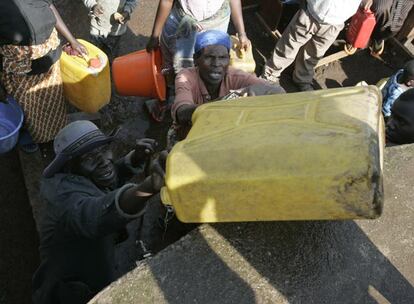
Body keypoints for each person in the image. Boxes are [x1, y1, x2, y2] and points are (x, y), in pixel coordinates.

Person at [32, 120, 165, 304]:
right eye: (89, 158)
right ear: (70, 168)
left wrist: (134, 159)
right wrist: (150, 186)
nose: (104, 160)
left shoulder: (85, 176)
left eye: (104, 150)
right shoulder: (66, 203)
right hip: (72, 287)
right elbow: (99, 215)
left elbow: (109, 178)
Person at [0, 0, 87, 149]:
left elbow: (49, 6)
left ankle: (53, 131)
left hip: (49, 58)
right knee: (27, 109)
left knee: (53, 100)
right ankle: (30, 137)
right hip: (19, 71)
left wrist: (72, 40)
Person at [171, 30, 285, 143]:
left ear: (229, 59)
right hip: (188, 138)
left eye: (222, 58)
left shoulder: (237, 76)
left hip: (223, 135)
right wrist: (229, 100)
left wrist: (254, 93)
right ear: (196, 59)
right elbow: (182, 113)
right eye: (209, 57)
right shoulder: (186, 77)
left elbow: (278, 92)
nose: (216, 64)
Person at [262, 0, 368, 91]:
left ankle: (302, 79)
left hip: (336, 20)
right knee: (289, 46)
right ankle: (270, 74)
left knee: (313, 54)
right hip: (312, 11)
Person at [146, 0, 250, 75]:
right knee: (170, 64)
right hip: (180, 22)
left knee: (207, 67)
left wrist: (242, 33)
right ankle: (170, 90)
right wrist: (155, 36)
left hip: (215, 26)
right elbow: (167, 1)